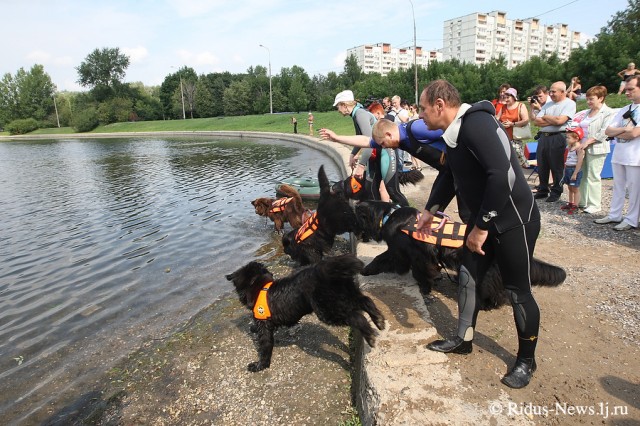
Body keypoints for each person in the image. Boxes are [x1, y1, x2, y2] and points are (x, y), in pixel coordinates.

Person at [416, 79, 542, 389]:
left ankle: (526, 360)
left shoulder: (477, 124)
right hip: (485, 223)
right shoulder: (455, 133)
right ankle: (463, 339)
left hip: (514, 221)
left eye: (422, 108)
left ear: (439, 105)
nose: (420, 115)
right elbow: (450, 175)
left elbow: (502, 175)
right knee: (468, 275)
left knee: (517, 290)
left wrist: (482, 227)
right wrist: (430, 210)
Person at [319, 116, 471, 223]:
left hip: (464, 172)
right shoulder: (396, 140)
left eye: (383, 143)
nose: (383, 147)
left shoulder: (415, 128)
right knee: (432, 212)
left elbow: (455, 127)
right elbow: (366, 141)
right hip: (448, 174)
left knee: (468, 214)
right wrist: (337, 138)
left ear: (388, 134)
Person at [332, 91, 408, 206]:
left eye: (338, 106)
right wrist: (353, 154)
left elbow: (368, 142)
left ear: (344, 104)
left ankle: (411, 218)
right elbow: (360, 139)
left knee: (393, 192)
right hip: (375, 157)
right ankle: (379, 220)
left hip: (385, 153)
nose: (338, 110)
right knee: (371, 191)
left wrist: (361, 165)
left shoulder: (360, 114)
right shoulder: (356, 114)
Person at [595, 75, 640, 230]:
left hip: (635, 156)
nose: (627, 93)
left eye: (631, 89)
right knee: (618, 186)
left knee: (634, 189)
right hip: (620, 153)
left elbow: (635, 133)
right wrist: (623, 130)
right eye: (626, 89)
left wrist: (618, 133)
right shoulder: (625, 109)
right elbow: (608, 130)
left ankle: (631, 219)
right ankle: (615, 214)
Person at [571, 85, 617, 214]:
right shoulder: (587, 112)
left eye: (591, 99)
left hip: (597, 148)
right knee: (583, 175)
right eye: (587, 99)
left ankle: (594, 204)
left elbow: (604, 132)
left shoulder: (608, 113)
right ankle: (583, 200)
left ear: (601, 98)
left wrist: (587, 142)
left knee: (593, 176)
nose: (588, 102)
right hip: (583, 148)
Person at [532, 81, 576, 203]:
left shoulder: (569, 104)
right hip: (544, 137)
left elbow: (560, 121)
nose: (550, 93)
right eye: (550, 91)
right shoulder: (547, 104)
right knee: (542, 164)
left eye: (553, 91)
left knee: (556, 165)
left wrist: (546, 117)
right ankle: (543, 189)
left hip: (558, 136)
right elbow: (536, 121)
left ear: (563, 92)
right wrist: (553, 119)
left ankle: (556, 190)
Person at [496, 87, 530, 167]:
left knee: (517, 155)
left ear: (514, 97)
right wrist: (500, 124)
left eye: (508, 97)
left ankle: (523, 167)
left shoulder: (521, 106)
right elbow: (497, 118)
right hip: (504, 135)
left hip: (516, 136)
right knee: (506, 158)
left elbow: (526, 120)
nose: (506, 99)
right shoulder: (503, 107)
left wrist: (512, 124)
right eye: (504, 97)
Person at [560, 127, 586, 214]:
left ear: (576, 138)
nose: (566, 139)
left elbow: (579, 162)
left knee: (575, 188)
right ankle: (570, 203)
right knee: (569, 187)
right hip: (568, 168)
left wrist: (575, 173)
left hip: (574, 169)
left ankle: (576, 205)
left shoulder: (579, 149)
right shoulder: (569, 147)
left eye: (568, 138)